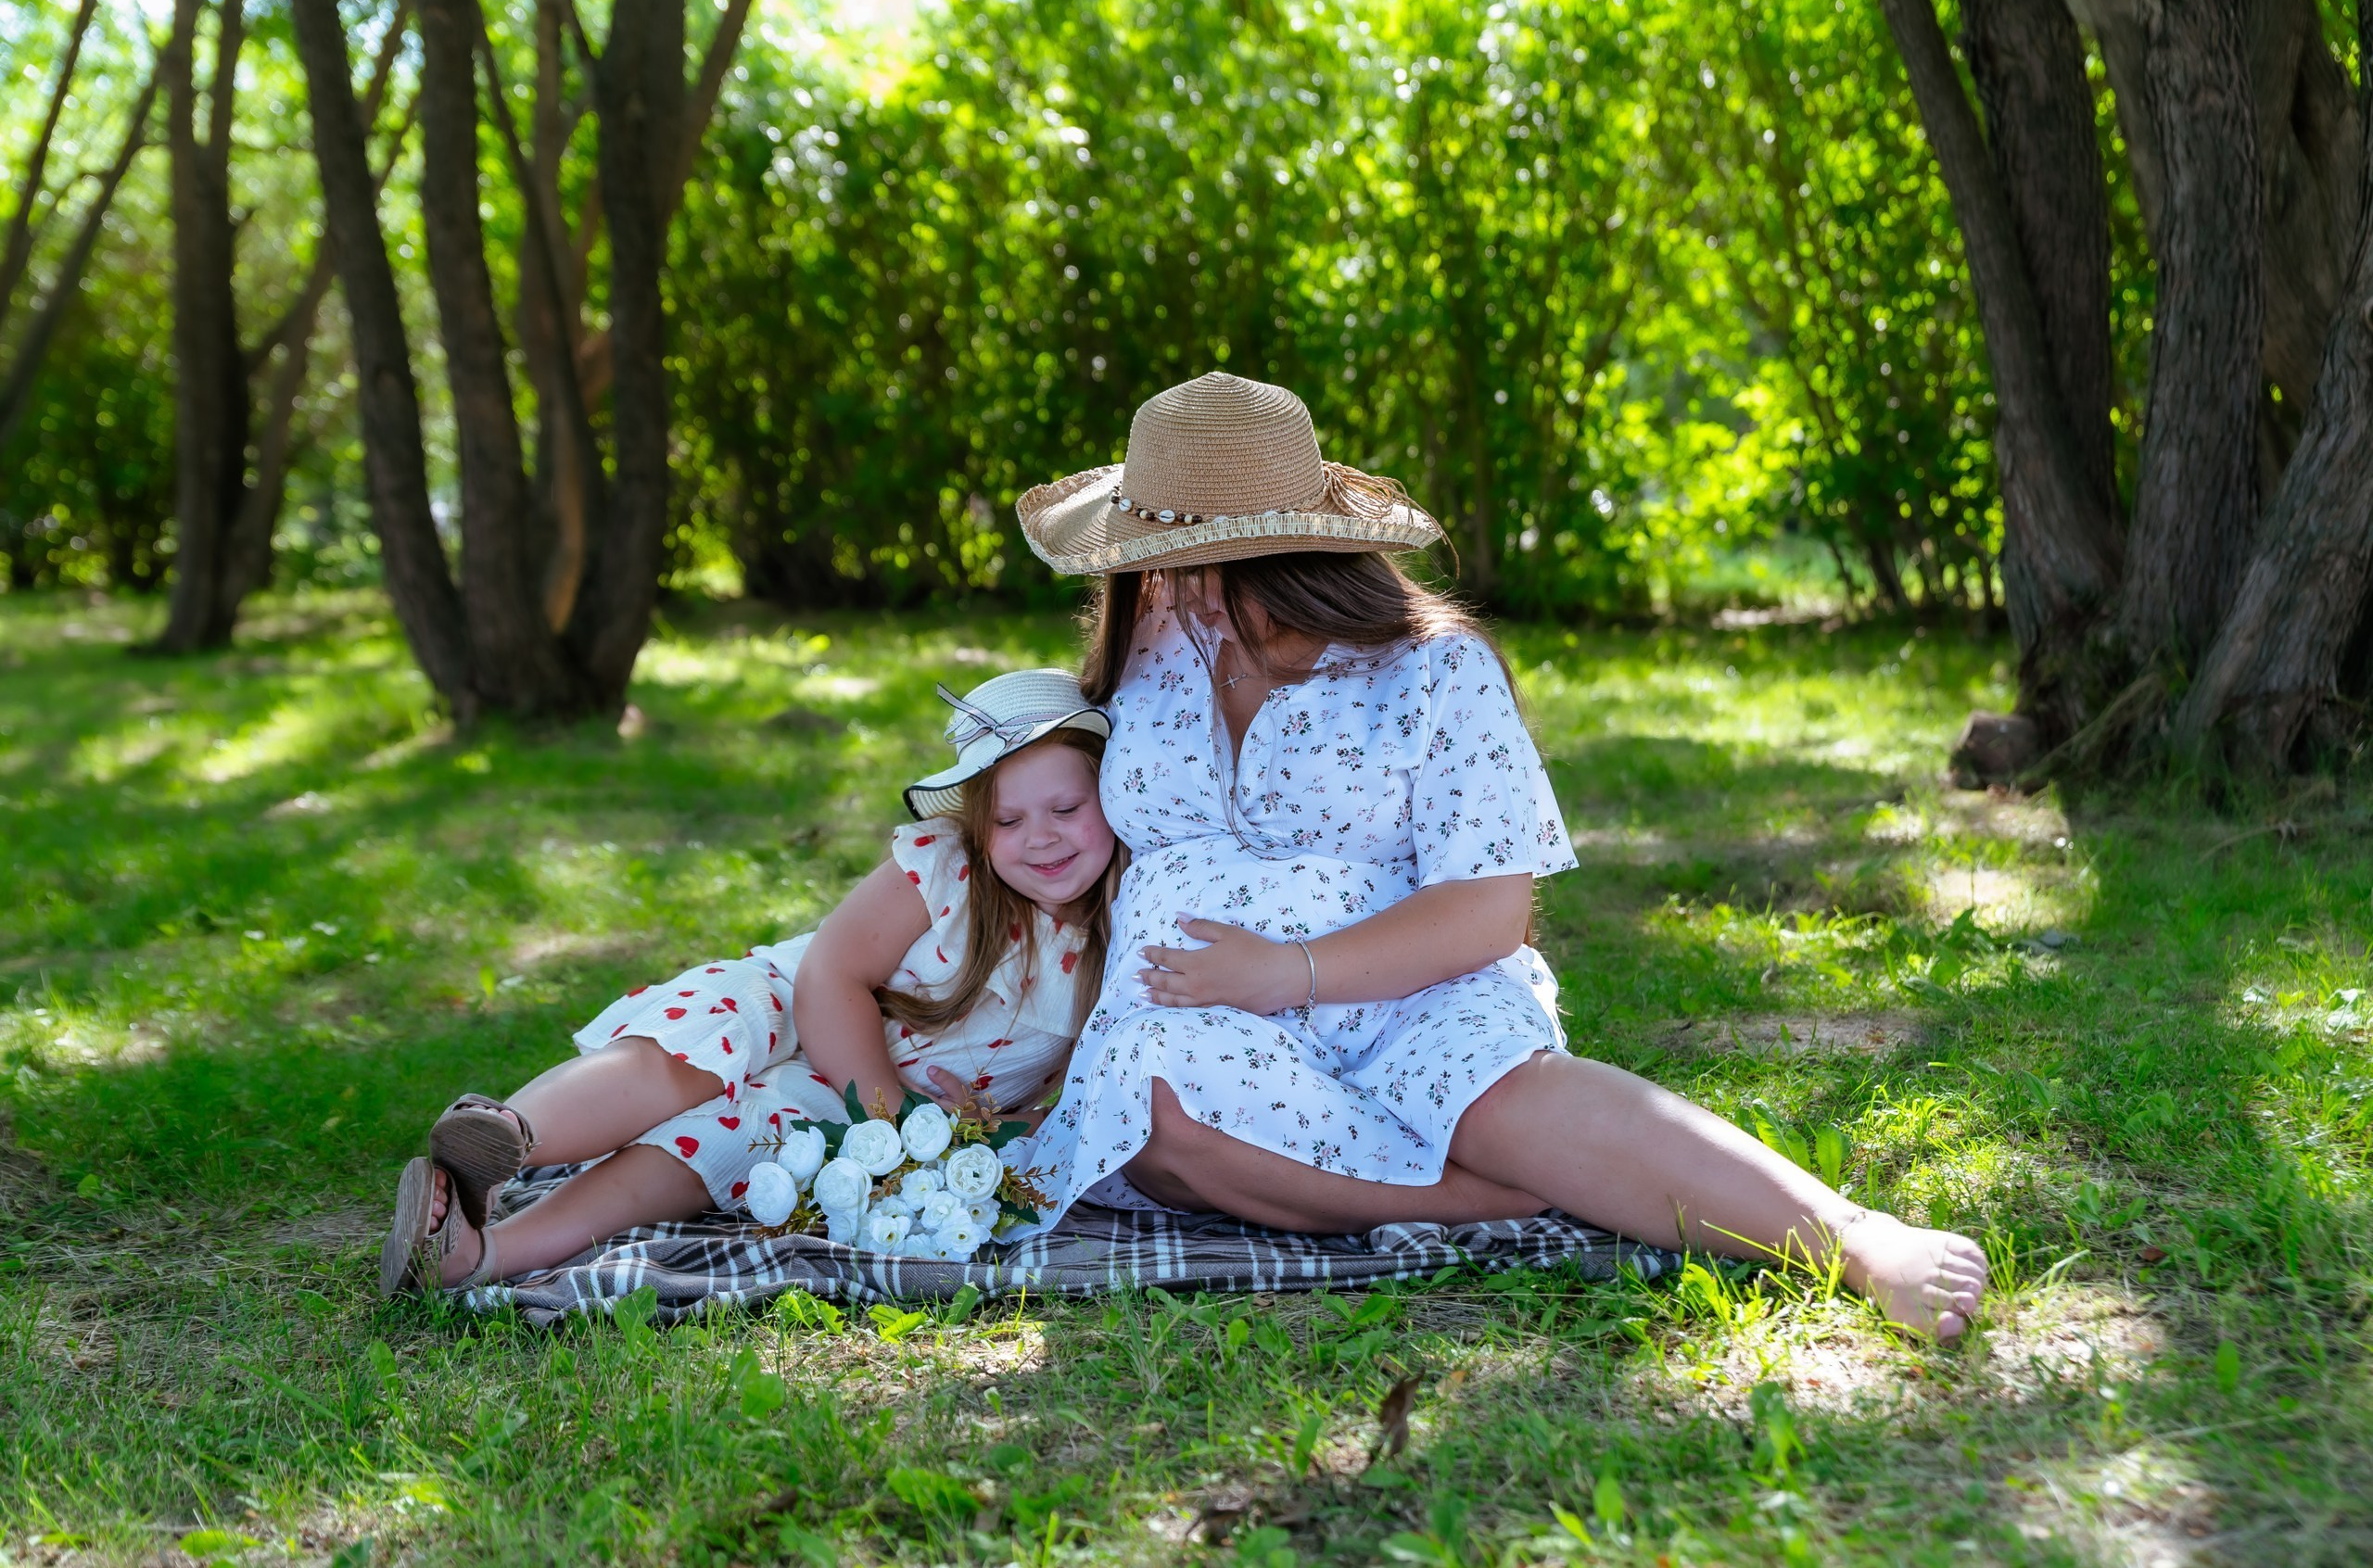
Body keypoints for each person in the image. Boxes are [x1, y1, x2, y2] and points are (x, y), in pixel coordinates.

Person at [1009, 373, 1988, 1338]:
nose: (1178, 590)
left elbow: (1489, 912)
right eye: (1157, 561)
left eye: (1207, 565)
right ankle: (1491, 1202)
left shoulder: (1435, 668)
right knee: (1152, 1118)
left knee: (1495, 1092)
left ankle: (1854, 1239)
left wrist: (1287, 971)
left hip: (1410, 989)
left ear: (1295, 556)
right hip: (1203, 1015)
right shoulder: (1156, 639)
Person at [378, 669, 1123, 1296]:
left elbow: (1080, 1100)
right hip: (799, 1006)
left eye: (1065, 808)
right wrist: (884, 1109)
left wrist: (979, 1132)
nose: (1042, 837)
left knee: (711, 1149)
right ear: (977, 823)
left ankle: (482, 1255)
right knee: (697, 1048)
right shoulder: (948, 865)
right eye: (1011, 819)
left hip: (853, 1109)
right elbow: (833, 971)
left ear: (1115, 796)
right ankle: (506, 1135)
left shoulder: (1120, 940)